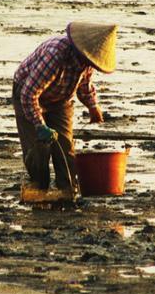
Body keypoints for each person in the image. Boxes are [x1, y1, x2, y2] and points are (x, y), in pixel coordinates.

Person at [13, 22, 117, 193]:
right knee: (39, 146)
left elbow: (84, 85)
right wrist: (40, 125)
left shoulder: (87, 62)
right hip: (28, 93)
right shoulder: (55, 55)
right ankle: (39, 187)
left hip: (61, 100)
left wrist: (92, 106)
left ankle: (67, 188)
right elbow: (28, 94)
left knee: (65, 146)